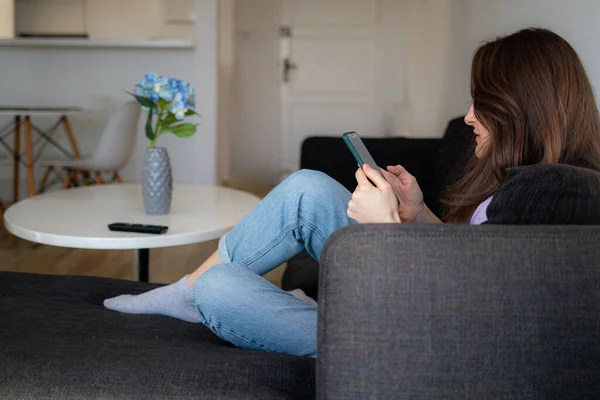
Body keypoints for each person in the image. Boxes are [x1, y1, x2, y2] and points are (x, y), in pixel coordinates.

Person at [104, 27, 600, 358]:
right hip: (418, 296)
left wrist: (384, 229)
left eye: (481, 103)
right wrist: (418, 213)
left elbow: (463, 316)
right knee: (306, 188)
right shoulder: (536, 180)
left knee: (222, 290)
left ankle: (204, 294)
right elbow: (477, 269)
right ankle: (186, 292)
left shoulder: (546, 190)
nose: (469, 116)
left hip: (412, 336)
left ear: (522, 109)